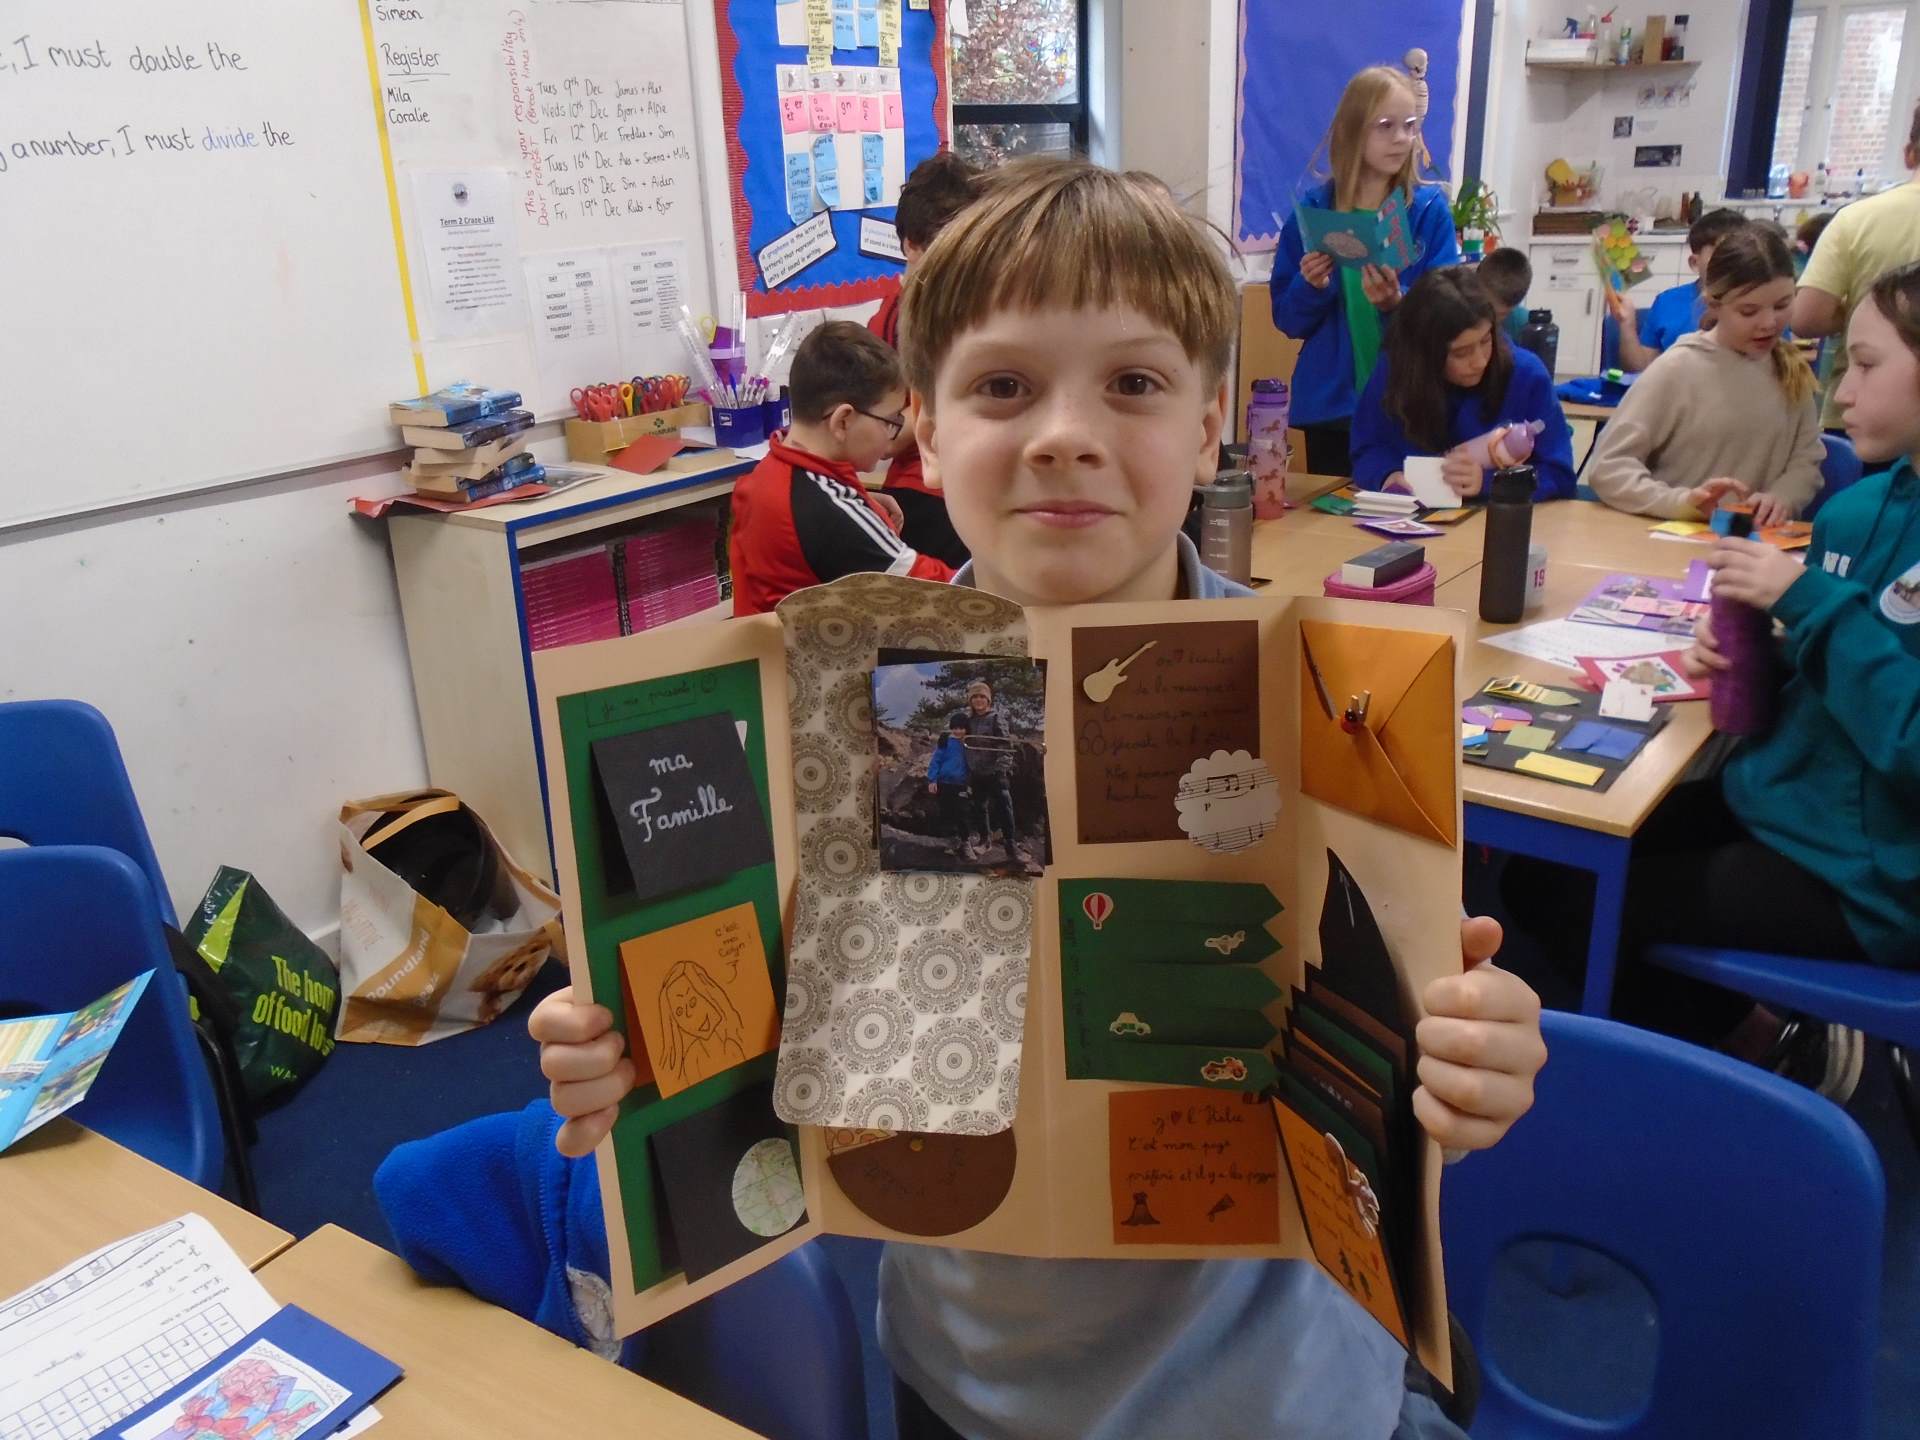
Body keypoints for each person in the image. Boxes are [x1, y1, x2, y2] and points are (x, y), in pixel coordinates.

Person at [535, 158, 1547, 1440]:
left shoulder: (1323, 701)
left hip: (1271, 1404)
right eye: (1005, 387)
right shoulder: (853, 698)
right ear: (925, 428)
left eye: (1133, 384)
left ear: (1209, 423)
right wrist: (625, 1049)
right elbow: (779, 1020)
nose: (1065, 433)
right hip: (964, 1380)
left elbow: (1390, 1063)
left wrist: (1467, 1061)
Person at [1513, 259, 1920, 1102]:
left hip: (1876, 878)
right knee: (1537, 867)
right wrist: (1764, 654)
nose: (1841, 392)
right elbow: (1841, 675)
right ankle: (1742, 1030)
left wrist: (1809, 606)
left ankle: (1757, 1054)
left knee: (1590, 905)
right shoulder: (1864, 509)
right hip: (1789, 808)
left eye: (1866, 365)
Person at [1270, 66, 1462, 476]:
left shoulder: (1428, 211)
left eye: (1410, 125)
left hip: (1410, 402)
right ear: (1353, 131)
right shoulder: (1313, 213)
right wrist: (1311, 285)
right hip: (1333, 409)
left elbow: (1450, 314)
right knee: (1333, 510)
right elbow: (1287, 320)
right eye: (1385, 125)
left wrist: (1397, 303)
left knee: (1408, 504)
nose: (1401, 138)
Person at [1586, 225, 1825, 524]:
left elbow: (1807, 459)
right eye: (1748, 311)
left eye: (1782, 305)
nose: (1768, 322)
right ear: (1714, 304)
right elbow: (1608, 467)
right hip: (1671, 538)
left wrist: (1783, 497)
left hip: (1753, 542)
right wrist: (1681, 502)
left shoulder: (1790, 368)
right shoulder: (1677, 368)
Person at [728, 320, 951, 616]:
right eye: (891, 421)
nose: (892, 433)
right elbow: (940, 594)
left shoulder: (772, 471)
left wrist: (860, 501)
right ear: (843, 421)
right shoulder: (825, 512)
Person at [1351, 267, 1577, 501]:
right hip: (1414, 514)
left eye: (1486, 340)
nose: (1479, 361)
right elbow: (1367, 449)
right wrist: (1387, 475)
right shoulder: (1397, 370)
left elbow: (1559, 475)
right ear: (1424, 354)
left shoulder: (1526, 374)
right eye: (1461, 353)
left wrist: (1490, 482)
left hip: (1498, 517)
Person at [870, 150, 983, 570]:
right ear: (911, 245)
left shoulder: (983, 307)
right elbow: (884, 435)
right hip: (924, 494)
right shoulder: (896, 317)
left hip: (973, 488)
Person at [1791, 100, 1920, 431]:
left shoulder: (1856, 219)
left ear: (1909, 154)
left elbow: (1806, 318)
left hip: (1865, 408)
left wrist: (1852, 312)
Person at [1605, 208, 1748, 372]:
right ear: (1695, 263)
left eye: (1739, 254)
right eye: (1721, 254)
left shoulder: (1757, 303)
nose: (1731, 263)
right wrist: (1627, 324)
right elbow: (1640, 370)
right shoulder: (1667, 302)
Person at [958, 679, 1020, 866]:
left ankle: (1011, 844)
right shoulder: (968, 721)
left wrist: (1001, 768)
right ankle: (985, 840)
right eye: (974, 697)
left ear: (988, 700)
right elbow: (961, 740)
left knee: (1004, 805)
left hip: (995, 771)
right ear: (971, 700)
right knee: (979, 806)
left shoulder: (996, 718)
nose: (978, 700)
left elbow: (1005, 746)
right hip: (976, 772)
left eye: (982, 697)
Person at [925, 711, 974, 859]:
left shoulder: (970, 743)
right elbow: (936, 761)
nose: (958, 731)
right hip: (944, 783)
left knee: (962, 813)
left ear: (967, 729)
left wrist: (971, 784)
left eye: (961, 728)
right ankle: (952, 841)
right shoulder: (945, 741)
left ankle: (966, 843)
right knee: (947, 813)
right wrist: (932, 780)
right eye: (955, 728)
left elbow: (974, 764)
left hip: (961, 785)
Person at [1474, 246, 1534, 344]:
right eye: (1483, 306)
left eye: (1497, 314)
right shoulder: (1461, 310)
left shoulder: (1525, 325)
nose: (1488, 318)